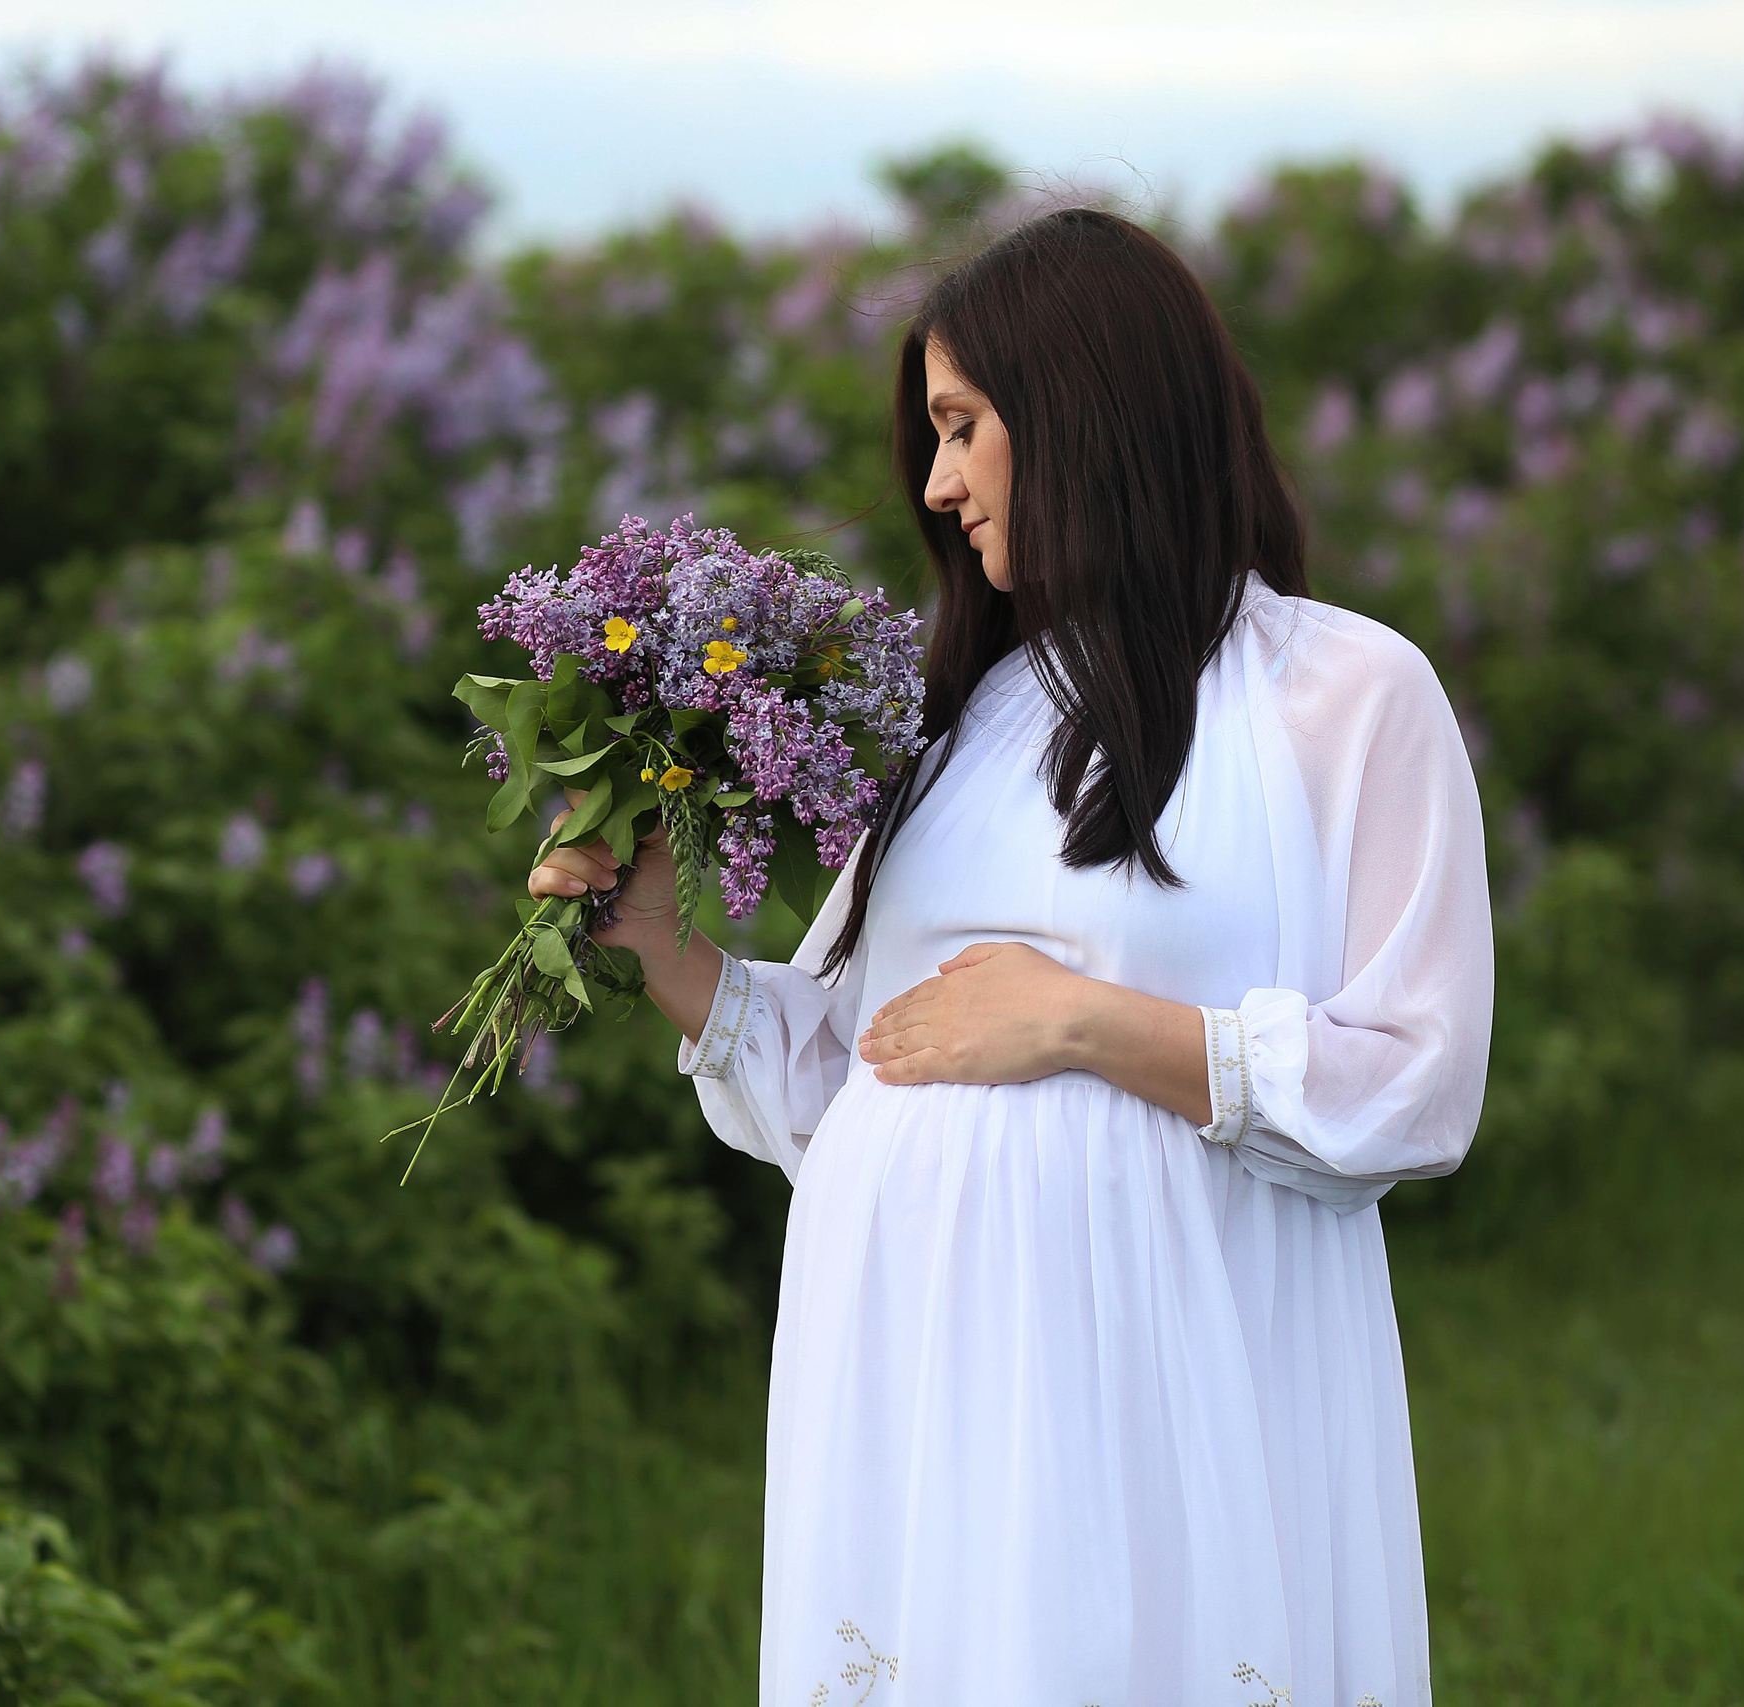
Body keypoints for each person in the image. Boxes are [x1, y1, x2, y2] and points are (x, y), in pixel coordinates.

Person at [530, 208, 1492, 1706]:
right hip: (921, 1392)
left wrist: (1085, 1025)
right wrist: (663, 948)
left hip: (1174, 1402)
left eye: (966, 426)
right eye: (935, 432)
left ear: (1087, 410)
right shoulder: (955, 720)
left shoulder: (1345, 693)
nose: (935, 480)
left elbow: (1418, 1089)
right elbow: (860, 1073)